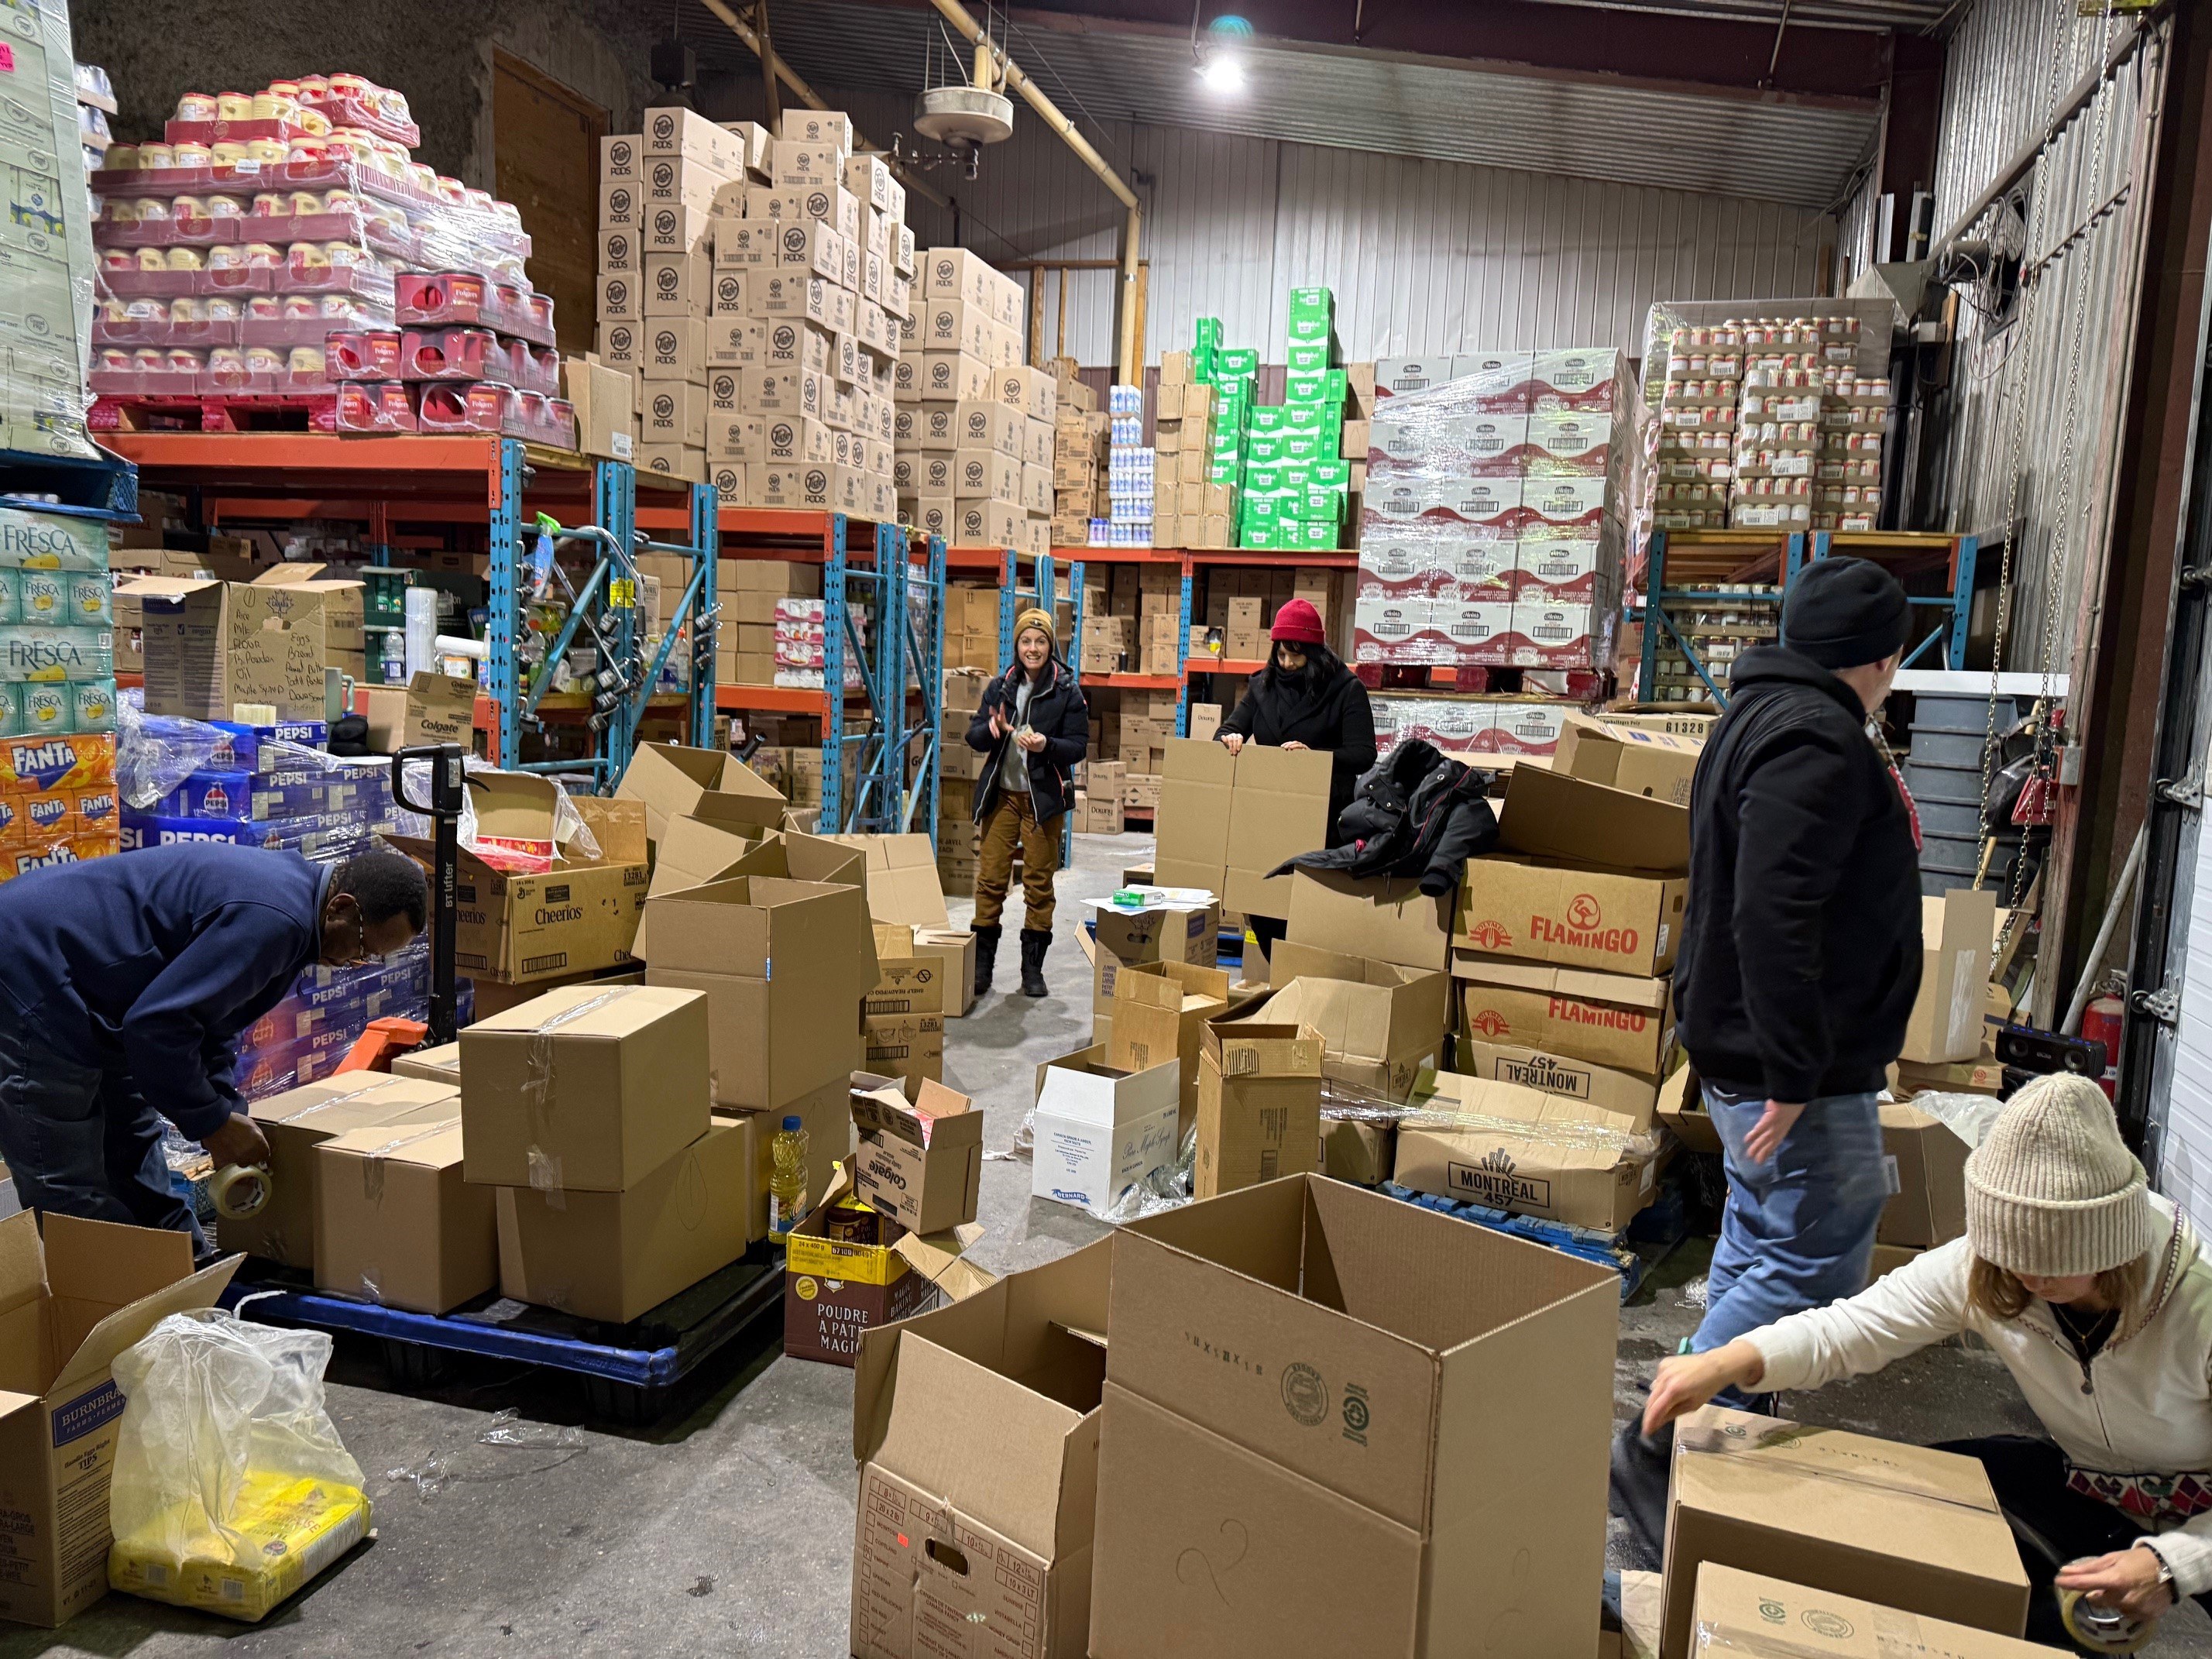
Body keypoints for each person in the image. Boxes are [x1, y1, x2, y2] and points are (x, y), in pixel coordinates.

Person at [1637, 1076, 2212, 1652]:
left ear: (2111, 1246)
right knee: (1928, 1509)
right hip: (2092, 1479)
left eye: (2052, 1263)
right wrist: (1733, 1359)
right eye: (2010, 1257)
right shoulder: (1992, 1265)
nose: (2027, 1280)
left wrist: (2172, 1566)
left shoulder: (2200, 1303)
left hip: (2202, 1507)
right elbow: (1857, 1327)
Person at [1612, 556, 1921, 1551]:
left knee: (1765, 1233)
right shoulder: (1818, 741)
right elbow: (1774, 912)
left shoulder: (1760, 711)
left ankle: (1724, 1423)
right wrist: (1794, 1068)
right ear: (1880, 659)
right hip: (1792, 1059)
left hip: (1767, 1045)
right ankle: (1669, 1439)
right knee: (1815, 1244)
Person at [0, 843, 428, 1246]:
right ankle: (114, 1300)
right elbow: (157, 1026)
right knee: (67, 1180)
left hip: (102, 995)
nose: (355, 964)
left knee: (132, 1149)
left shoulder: (299, 920)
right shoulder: (276, 920)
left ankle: (187, 1274)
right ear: (342, 907)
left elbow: (213, 1025)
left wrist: (226, 1111)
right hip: (32, 971)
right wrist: (212, 1124)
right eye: (362, 948)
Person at [1214, 598, 1376, 965]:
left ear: (1314, 654)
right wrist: (1231, 739)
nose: (1286, 664)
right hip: (1270, 818)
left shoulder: (1345, 689)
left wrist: (1314, 756)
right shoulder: (1262, 686)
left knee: (1307, 910)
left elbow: (1364, 752)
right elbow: (1227, 729)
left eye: (1295, 657)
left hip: (1323, 819)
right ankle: (1281, 977)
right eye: (1281, 655)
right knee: (1266, 907)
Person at [967, 607, 1088, 999]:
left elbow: (1078, 747)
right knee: (990, 881)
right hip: (1002, 797)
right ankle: (981, 969)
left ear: (1050, 646)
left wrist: (1045, 746)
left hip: (1042, 801)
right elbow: (973, 736)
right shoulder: (1000, 686)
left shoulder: (1067, 689)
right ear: (1016, 645)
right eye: (1025, 641)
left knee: (1038, 883)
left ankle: (1031, 972)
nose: (1032, 649)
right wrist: (990, 730)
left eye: (1040, 641)